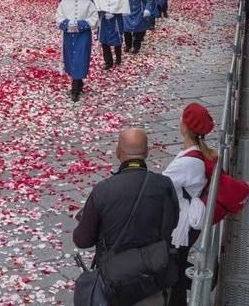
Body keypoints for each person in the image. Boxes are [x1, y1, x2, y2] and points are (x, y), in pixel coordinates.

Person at [72, 128, 179, 306]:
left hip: (116, 281)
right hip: (153, 278)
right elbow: (171, 224)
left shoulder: (103, 190)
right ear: (146, 152)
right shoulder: (163, 185)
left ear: (117, 152)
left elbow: (82, 240)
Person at [163, 103, 216, 306]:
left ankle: (203, 283)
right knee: (175, 263)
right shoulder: (196, 154)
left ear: (184, 125)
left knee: (173, 268)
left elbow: (161, 185)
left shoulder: (188, 162)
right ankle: (202, 282)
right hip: (187, 221)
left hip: (181, 225)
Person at [55, 0, 98, 102]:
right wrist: (66, 24)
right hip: (69, 35)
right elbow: (58, 16)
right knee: (71, 59)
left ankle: (75, 89)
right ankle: (78, 82)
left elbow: (94, 18)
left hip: (83, 35)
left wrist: (81, 24)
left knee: (80, 59)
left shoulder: (87, 1)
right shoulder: (64, 1)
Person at [93, 0, 130, 71]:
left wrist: (114, 12)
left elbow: (123, 3)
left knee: (117, 39)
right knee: (104, 40)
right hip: (104, 19)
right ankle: (108, 61)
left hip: (116, 18)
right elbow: (96, 3)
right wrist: (103, 12)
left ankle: (118, 58)